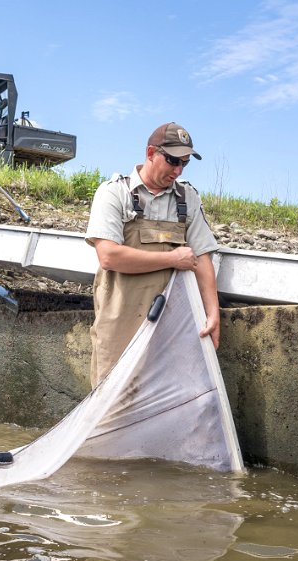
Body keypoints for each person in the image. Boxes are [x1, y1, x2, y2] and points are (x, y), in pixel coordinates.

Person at [84, 122, 220, 387]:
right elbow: (109, 256)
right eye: (172, 161)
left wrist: (213, 314)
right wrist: (173, 259)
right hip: (119, 323)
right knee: (113, 404)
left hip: (171, 325)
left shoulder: (188, 198)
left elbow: (202, 257)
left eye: (185, 163)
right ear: (150, 153)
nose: (178, 170)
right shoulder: (114, 193)